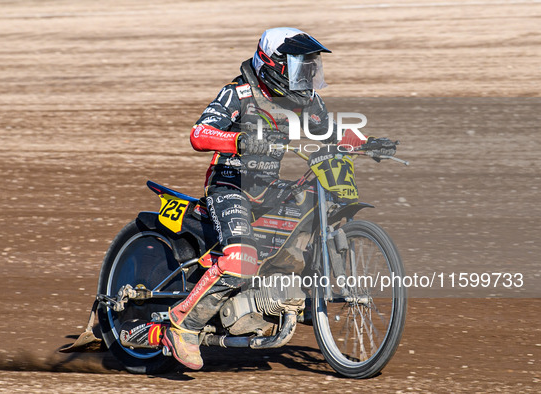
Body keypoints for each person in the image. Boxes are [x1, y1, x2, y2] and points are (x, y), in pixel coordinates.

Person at [158, 27, 397, 370]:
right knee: (241, 257)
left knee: (314, 205)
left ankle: (299, 292)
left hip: (268, 187)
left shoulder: (308, 101)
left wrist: (367, 142)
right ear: (274, 66)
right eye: (302, 68)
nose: (308, 77)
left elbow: (330, 134)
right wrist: (237, 142)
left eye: (311, 69)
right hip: (231, 185)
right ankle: (183, 325)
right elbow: (199, 134)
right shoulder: (238, 94)